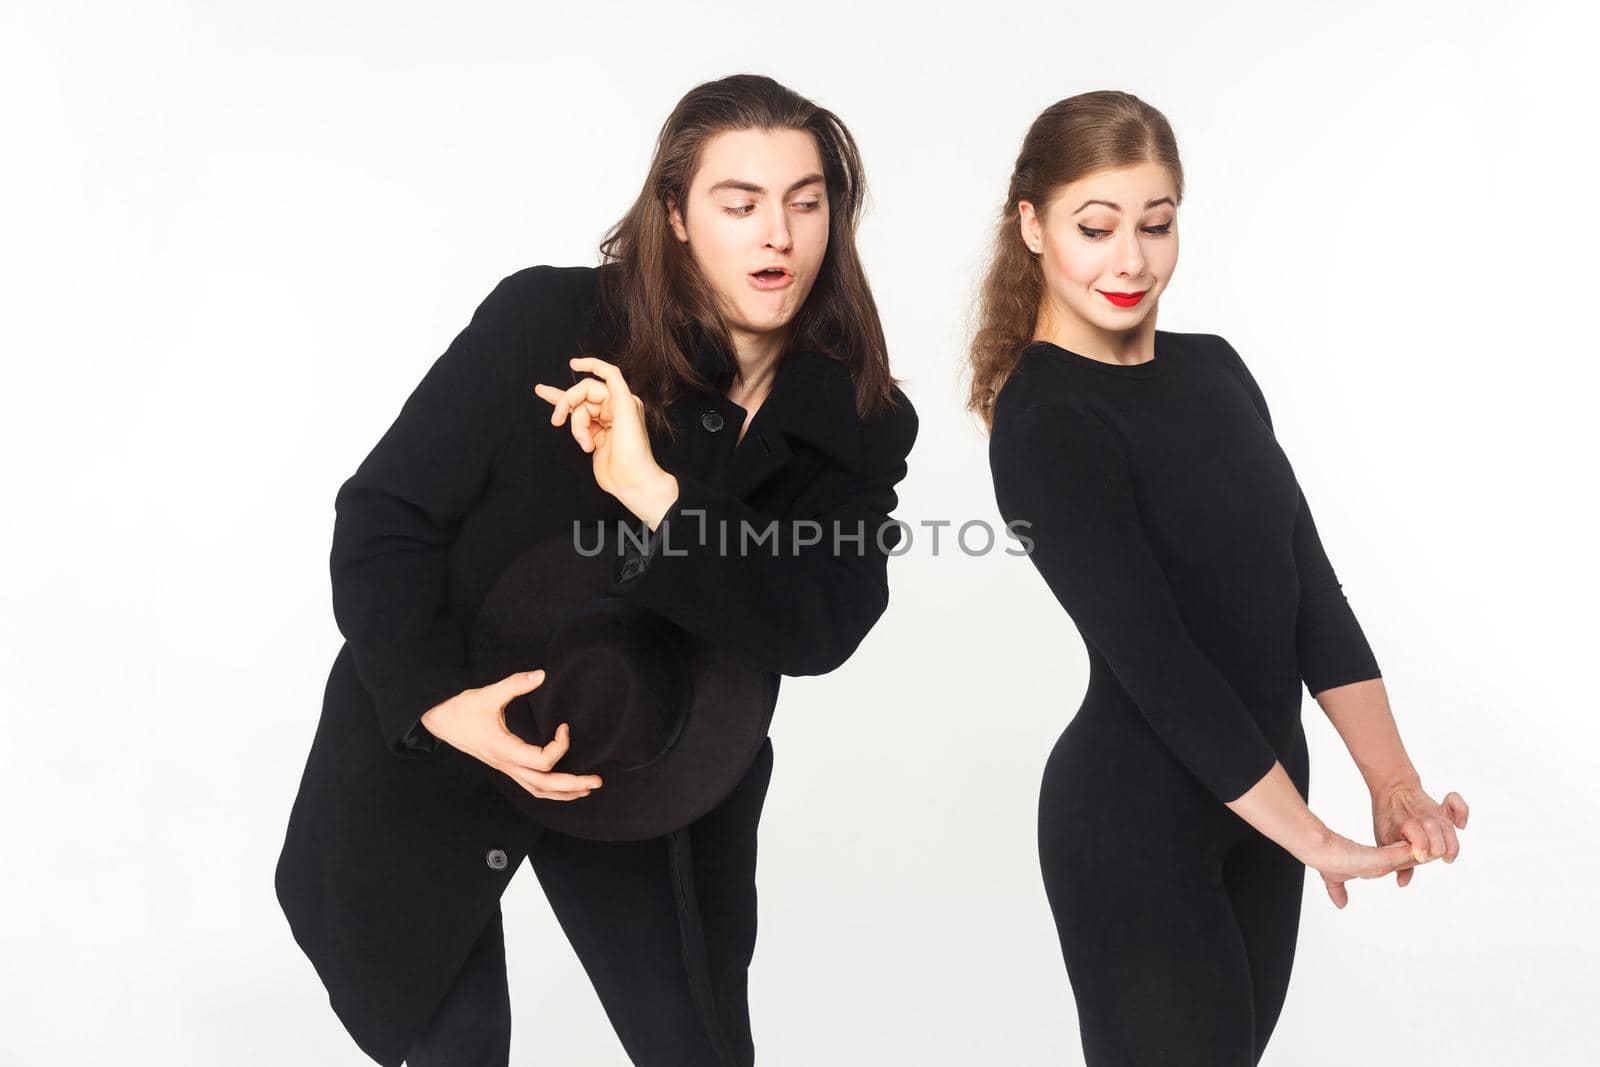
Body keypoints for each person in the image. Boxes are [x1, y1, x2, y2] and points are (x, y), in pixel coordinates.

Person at [275, 73, 917, 1067]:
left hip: (660, 762)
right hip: (440, 740)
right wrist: (438, 701)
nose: (777, 235)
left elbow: (821, 620)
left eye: (804, 201)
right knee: (454, 1038)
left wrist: (656, 492)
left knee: (695, 1043)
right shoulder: (549, 320)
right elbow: (383, 518)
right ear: (676, 213)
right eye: (739, 204)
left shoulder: (855, 418)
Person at [970, 90, 1469, 1066]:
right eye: (1095, 226)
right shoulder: (1043, 419)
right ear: (1031, 225)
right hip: (1135, 824)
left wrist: (1394, 781)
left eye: (1155, 224)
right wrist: (1313, 836)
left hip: (1262, 809)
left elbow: (1309, 597)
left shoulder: (1214, 369)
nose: (1131, 260)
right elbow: (1160, 663)